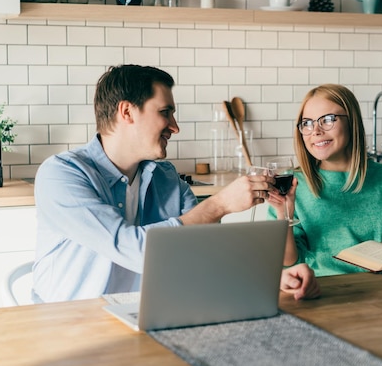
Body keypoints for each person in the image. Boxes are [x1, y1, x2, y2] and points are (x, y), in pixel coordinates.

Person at [33, 64, 320, 302]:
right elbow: (134, 249)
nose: (175, 126)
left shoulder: (166, 178)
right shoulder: (63, 175)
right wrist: (219, 204)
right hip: (68, 325)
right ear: (127, 112)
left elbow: (205, 255)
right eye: (165, 112)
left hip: (145, 318)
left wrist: (271, 276)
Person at [267, 84, 382, 277]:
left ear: (351, 122)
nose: (316, 131)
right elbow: (289, 263)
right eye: (307, 123)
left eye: (328, 120)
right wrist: (283, 214)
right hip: (324, 289)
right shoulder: (292, 185)